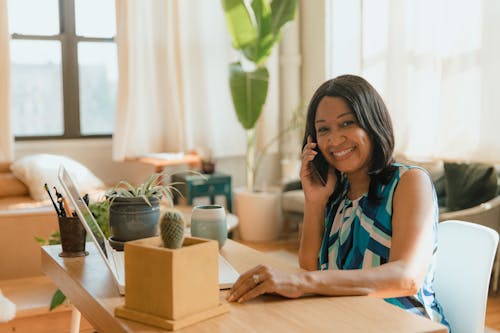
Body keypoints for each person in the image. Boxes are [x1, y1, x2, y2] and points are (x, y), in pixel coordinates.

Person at [226, 74, 450, 329]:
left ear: (372, 123)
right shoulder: (338, 192)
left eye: (347, 123)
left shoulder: (409, 181)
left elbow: (406, 278)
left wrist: (301, 284)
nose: (334, 139)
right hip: (346, 319)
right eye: (323, 129)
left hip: (405, 324)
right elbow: (310, 265)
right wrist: (315, 201)